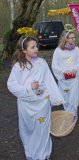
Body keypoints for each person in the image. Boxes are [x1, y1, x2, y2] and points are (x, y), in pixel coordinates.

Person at [7, 31, 64, 160]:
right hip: (26, 106)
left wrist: (57, 98)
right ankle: (32, 154)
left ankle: (44, 155)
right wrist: (28, 87)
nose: (36, 49)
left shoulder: (42, 63)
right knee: (28, 131)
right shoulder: (18, 67)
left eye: (36, 46)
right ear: (24, 50)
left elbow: (49, 81)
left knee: (43, 129)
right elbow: (11, 85)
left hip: (42, 102)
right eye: (32, 47)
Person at [51, 28, 79, 114]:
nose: (73, 39)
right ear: (65, 38)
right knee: (65, 96)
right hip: (63, 79)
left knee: (74, 97)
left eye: (74, 37)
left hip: (73, 79)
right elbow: (54, 65)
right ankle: (67, 113)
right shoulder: (58, 50)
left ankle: (73, 114)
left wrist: (75, 69)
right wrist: (63, 71)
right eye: (71, 38)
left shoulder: (76, 49)